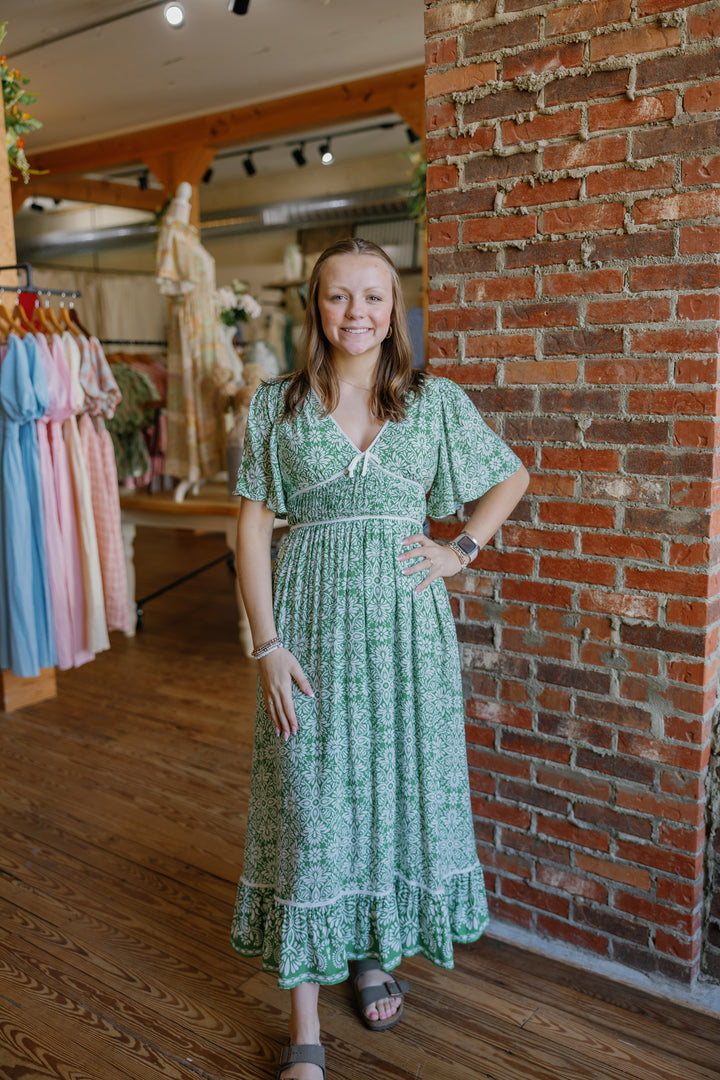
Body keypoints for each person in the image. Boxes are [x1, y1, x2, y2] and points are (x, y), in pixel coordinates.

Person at [232, 237, 529, 1080]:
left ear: (394, 310)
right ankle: (306, 1035)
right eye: (337, 297)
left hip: (408, 639)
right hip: (309, 635)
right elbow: (253, 527)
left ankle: (370, 953)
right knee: (310, 809)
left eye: (372, 297)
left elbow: (509, 477)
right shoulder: (274, 407)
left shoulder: (432, 403)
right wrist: (267, 644)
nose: (355, 313)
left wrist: (460, 550)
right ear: (314, 308)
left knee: (389, 800)